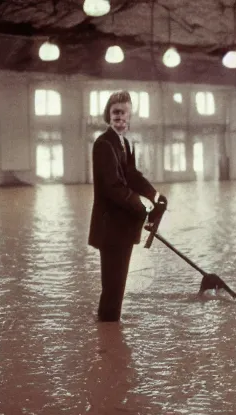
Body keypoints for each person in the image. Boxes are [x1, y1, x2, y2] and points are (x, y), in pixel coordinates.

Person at [88, 90, 167, 322]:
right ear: (108, 115)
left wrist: (154, 195)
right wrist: (142, 208)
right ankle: (107, 334)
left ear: (130, 116)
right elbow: (113, 186)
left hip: (121, 225)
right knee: (112, 288)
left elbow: (131, 175)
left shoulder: (124, 143)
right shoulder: (104, 144)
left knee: (118, 286)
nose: (120, 117)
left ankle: (110, 332)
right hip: (110, 226)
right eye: (115, 112)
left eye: (124, 113)